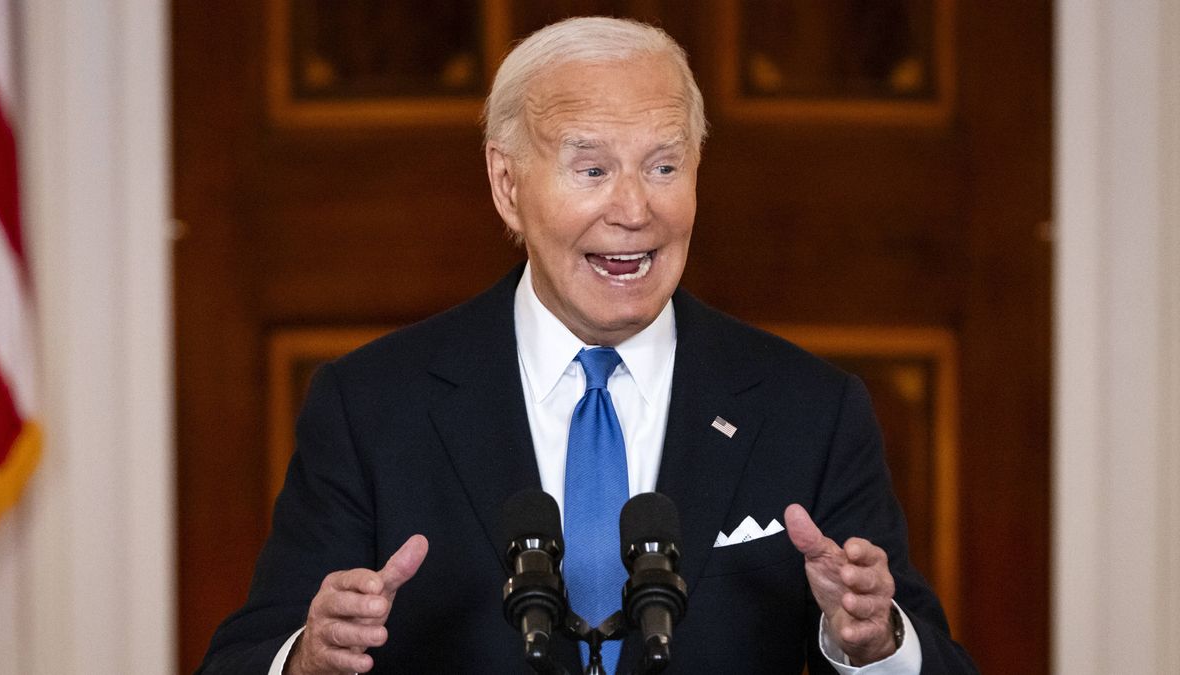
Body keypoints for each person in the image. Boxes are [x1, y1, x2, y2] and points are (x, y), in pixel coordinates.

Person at [199, 16, 977, 674]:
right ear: (508, 185)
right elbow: (246, 655)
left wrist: (877, 644)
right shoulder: (372, 406)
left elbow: (933, 655)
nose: (634, 208)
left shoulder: (811, 408)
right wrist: (309, 655)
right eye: (592, 168)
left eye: (664, 165)